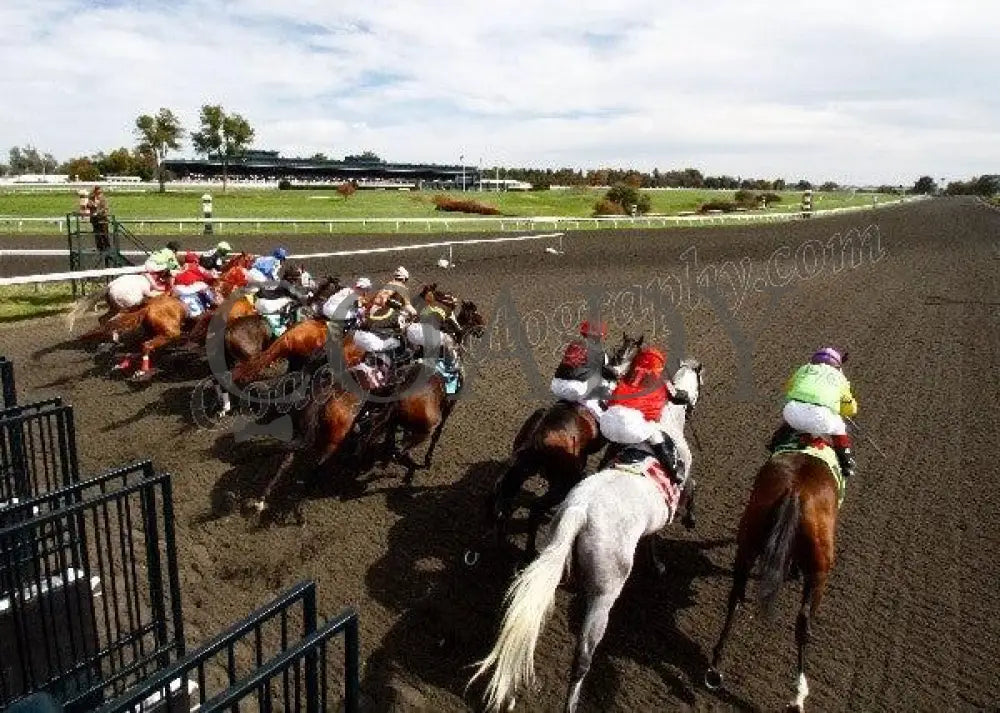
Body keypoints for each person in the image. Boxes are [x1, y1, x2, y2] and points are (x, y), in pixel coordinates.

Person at [599, 346, 688, 485]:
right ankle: (674, 471)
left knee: (615, 444)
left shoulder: (628, 372)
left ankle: (601, 468)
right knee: (658, 436)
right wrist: (685, 397)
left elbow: (610, 371)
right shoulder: (662, 378)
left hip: (606, 425)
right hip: (632, 426)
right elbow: (677, 397)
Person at [767, 346, 858, 479]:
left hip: (793, 412)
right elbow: (851, 409)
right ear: (837, 366)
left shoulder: (804, 369)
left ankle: (775, 443)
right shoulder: (841, 378)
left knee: (790, 418)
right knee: (839, 426)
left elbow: (789, 389)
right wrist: (841, 409)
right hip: (822, 419)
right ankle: (846, 462)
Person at [549, 321, 618, 418]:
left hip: (556, 386)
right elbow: (608, 372)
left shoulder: (573, 345)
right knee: (599, 411)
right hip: (575, 389)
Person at [254, 263, 312, 337]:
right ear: (293, 279)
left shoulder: (283, 281)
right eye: (297, 279)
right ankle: (286, 325)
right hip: (266, 305)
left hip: (259, 301)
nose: (298, 281)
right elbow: (300, 298)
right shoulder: (288, 286)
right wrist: (309, 295)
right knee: (291, 302)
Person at [171, 251, 219, 317]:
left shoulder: (182, 267)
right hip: (187, 288)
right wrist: (215, 275)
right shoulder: (196, 266)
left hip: (177, 288)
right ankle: (214, 302)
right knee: (203, 285)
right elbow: (209, 276)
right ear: (195, 260)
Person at [87, 187, 110, 263]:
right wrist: (93, 205)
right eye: (97, 192)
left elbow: (105, 208)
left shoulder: (103, 199)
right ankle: (99, 247)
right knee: (97, 234)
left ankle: (107, 247)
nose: (98, 194)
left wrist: (98, 212)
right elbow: (88, 205)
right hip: (94, 219)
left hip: (102, 218)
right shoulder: (91, 198)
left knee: (104, 233)